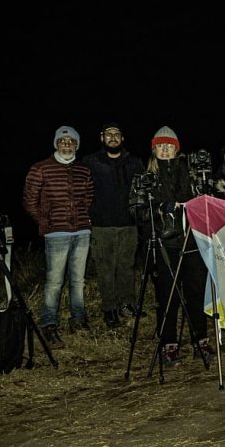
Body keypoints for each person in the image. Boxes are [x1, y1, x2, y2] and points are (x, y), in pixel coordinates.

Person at [129, 126, 213, 365]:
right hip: (163, 244)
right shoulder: (144, 177)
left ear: (177, 149)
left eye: (170, 146)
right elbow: (134, 210)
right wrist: (158, 208)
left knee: (196, 292)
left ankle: (201, 340)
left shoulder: (192, 173)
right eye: (161, 146)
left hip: (192, 240)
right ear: (154, 149)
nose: (165, 150)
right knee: (168, 295)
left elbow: (209, 200)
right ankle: (169, 344)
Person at [23, 126, 95, 347]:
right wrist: (46, 222)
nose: (67, 144)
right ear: (56, 143)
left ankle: (78, 318)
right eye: (62, 140)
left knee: (78, 280)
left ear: (76, 145)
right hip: (56, 234)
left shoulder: (84, 170)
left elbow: (89, 198)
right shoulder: (40, 168)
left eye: (71, 141)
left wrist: (84, 220)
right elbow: (29, 200)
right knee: (54, 282)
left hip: (82, 232)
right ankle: (49, 323)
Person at [80, 122, 145, 329]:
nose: (113, 137)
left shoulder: (134, 162)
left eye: (117, 134)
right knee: (105, 268)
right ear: (102, 138)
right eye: (109, 134)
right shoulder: (90, 162)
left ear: (122, 138)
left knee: (127, 266)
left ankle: (127, 304)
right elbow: (81, 192)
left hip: (128, 224)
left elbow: (143, 191)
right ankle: (109, 309)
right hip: (101, 225)